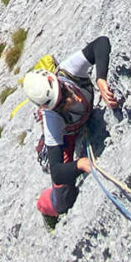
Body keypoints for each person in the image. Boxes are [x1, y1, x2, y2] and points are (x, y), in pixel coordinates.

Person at [22, 36, 118, 228]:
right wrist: (80, 164)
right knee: (62, 200)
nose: (69, 99)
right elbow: (57, 172)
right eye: (60, 104)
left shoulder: (68, 71)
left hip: (77, 121)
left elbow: (101, 43)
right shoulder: (52, 121)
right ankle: (43, 204)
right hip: (68, 135)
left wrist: (100, 78)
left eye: (64, 92)